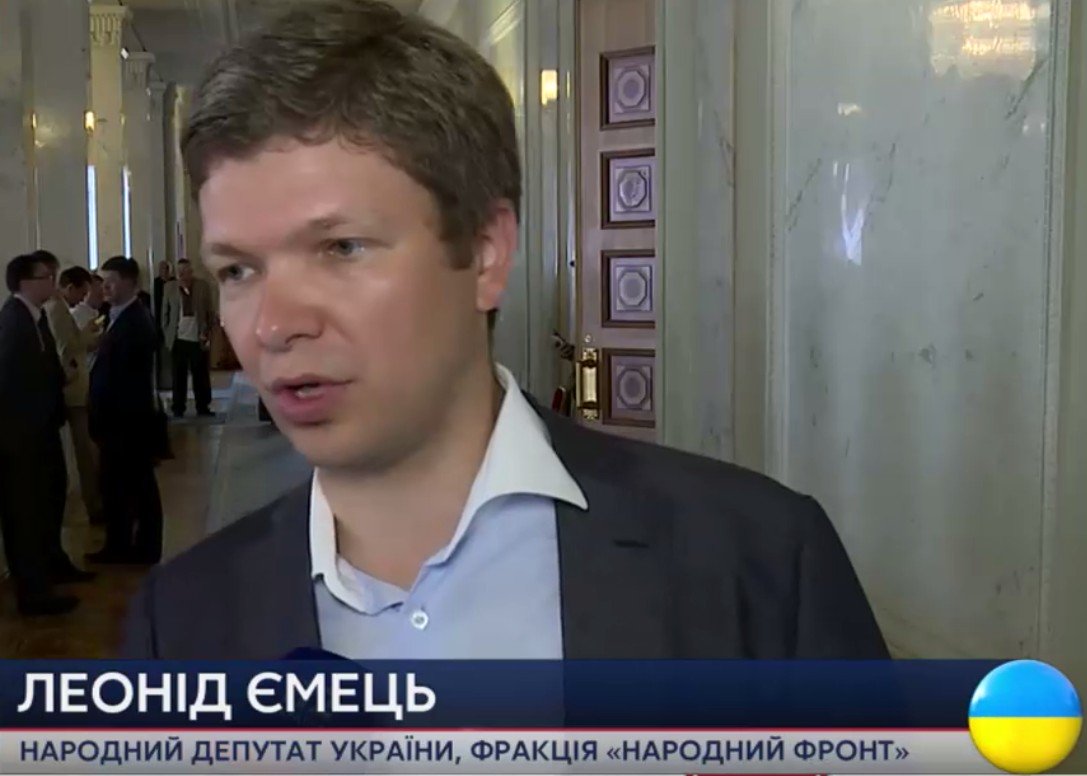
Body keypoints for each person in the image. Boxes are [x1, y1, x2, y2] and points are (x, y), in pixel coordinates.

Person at [121, 0, 887, 659]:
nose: (274, 325)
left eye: (341, 249)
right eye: (238, 270)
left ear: (486, 254)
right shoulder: (179, 622)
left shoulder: (759, 562)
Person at [0, 254, 79, 615]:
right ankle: (33, 593)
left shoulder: (37, 316)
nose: (52, 282)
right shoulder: (14, 321)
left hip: (42, 429)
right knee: (25, 514)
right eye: (46, 277)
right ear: (25, 283)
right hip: (22, 439)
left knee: (49, 501)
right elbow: (11, 382)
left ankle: (51, 567)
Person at [87, 256, 163, 565]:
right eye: (103, 281)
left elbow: (125, 377)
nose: (105, 287)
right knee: (118, 485)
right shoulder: (119, 316)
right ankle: (120, 544)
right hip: (117, 420)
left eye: (111, 281)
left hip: (126, 421)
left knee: (136, 485)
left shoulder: (135, 321)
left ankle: (143, 548)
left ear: (130, 283)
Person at [39, 255, 105, 549]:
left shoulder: (58, 308)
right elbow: (67, 349)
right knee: (84, 451)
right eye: (81, 291)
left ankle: (93, 502)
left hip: (74, 388)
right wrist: (88, 338)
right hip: (73, 390)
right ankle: (93, 505)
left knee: (85, 450)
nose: (82, 297)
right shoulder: (57, 309)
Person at [161, 259, 215, 417]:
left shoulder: (202, 286)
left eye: (185, 272)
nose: (182, 275)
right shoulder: (169, 288)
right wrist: (167, 332)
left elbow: (209, 310)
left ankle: (203, 406)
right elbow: (165, 313)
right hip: (177, 338)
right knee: (179, 375)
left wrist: (208, 330)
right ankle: (178, 407)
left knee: (200, 374)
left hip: (198, 336)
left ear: (191, 272)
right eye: (180, 272)